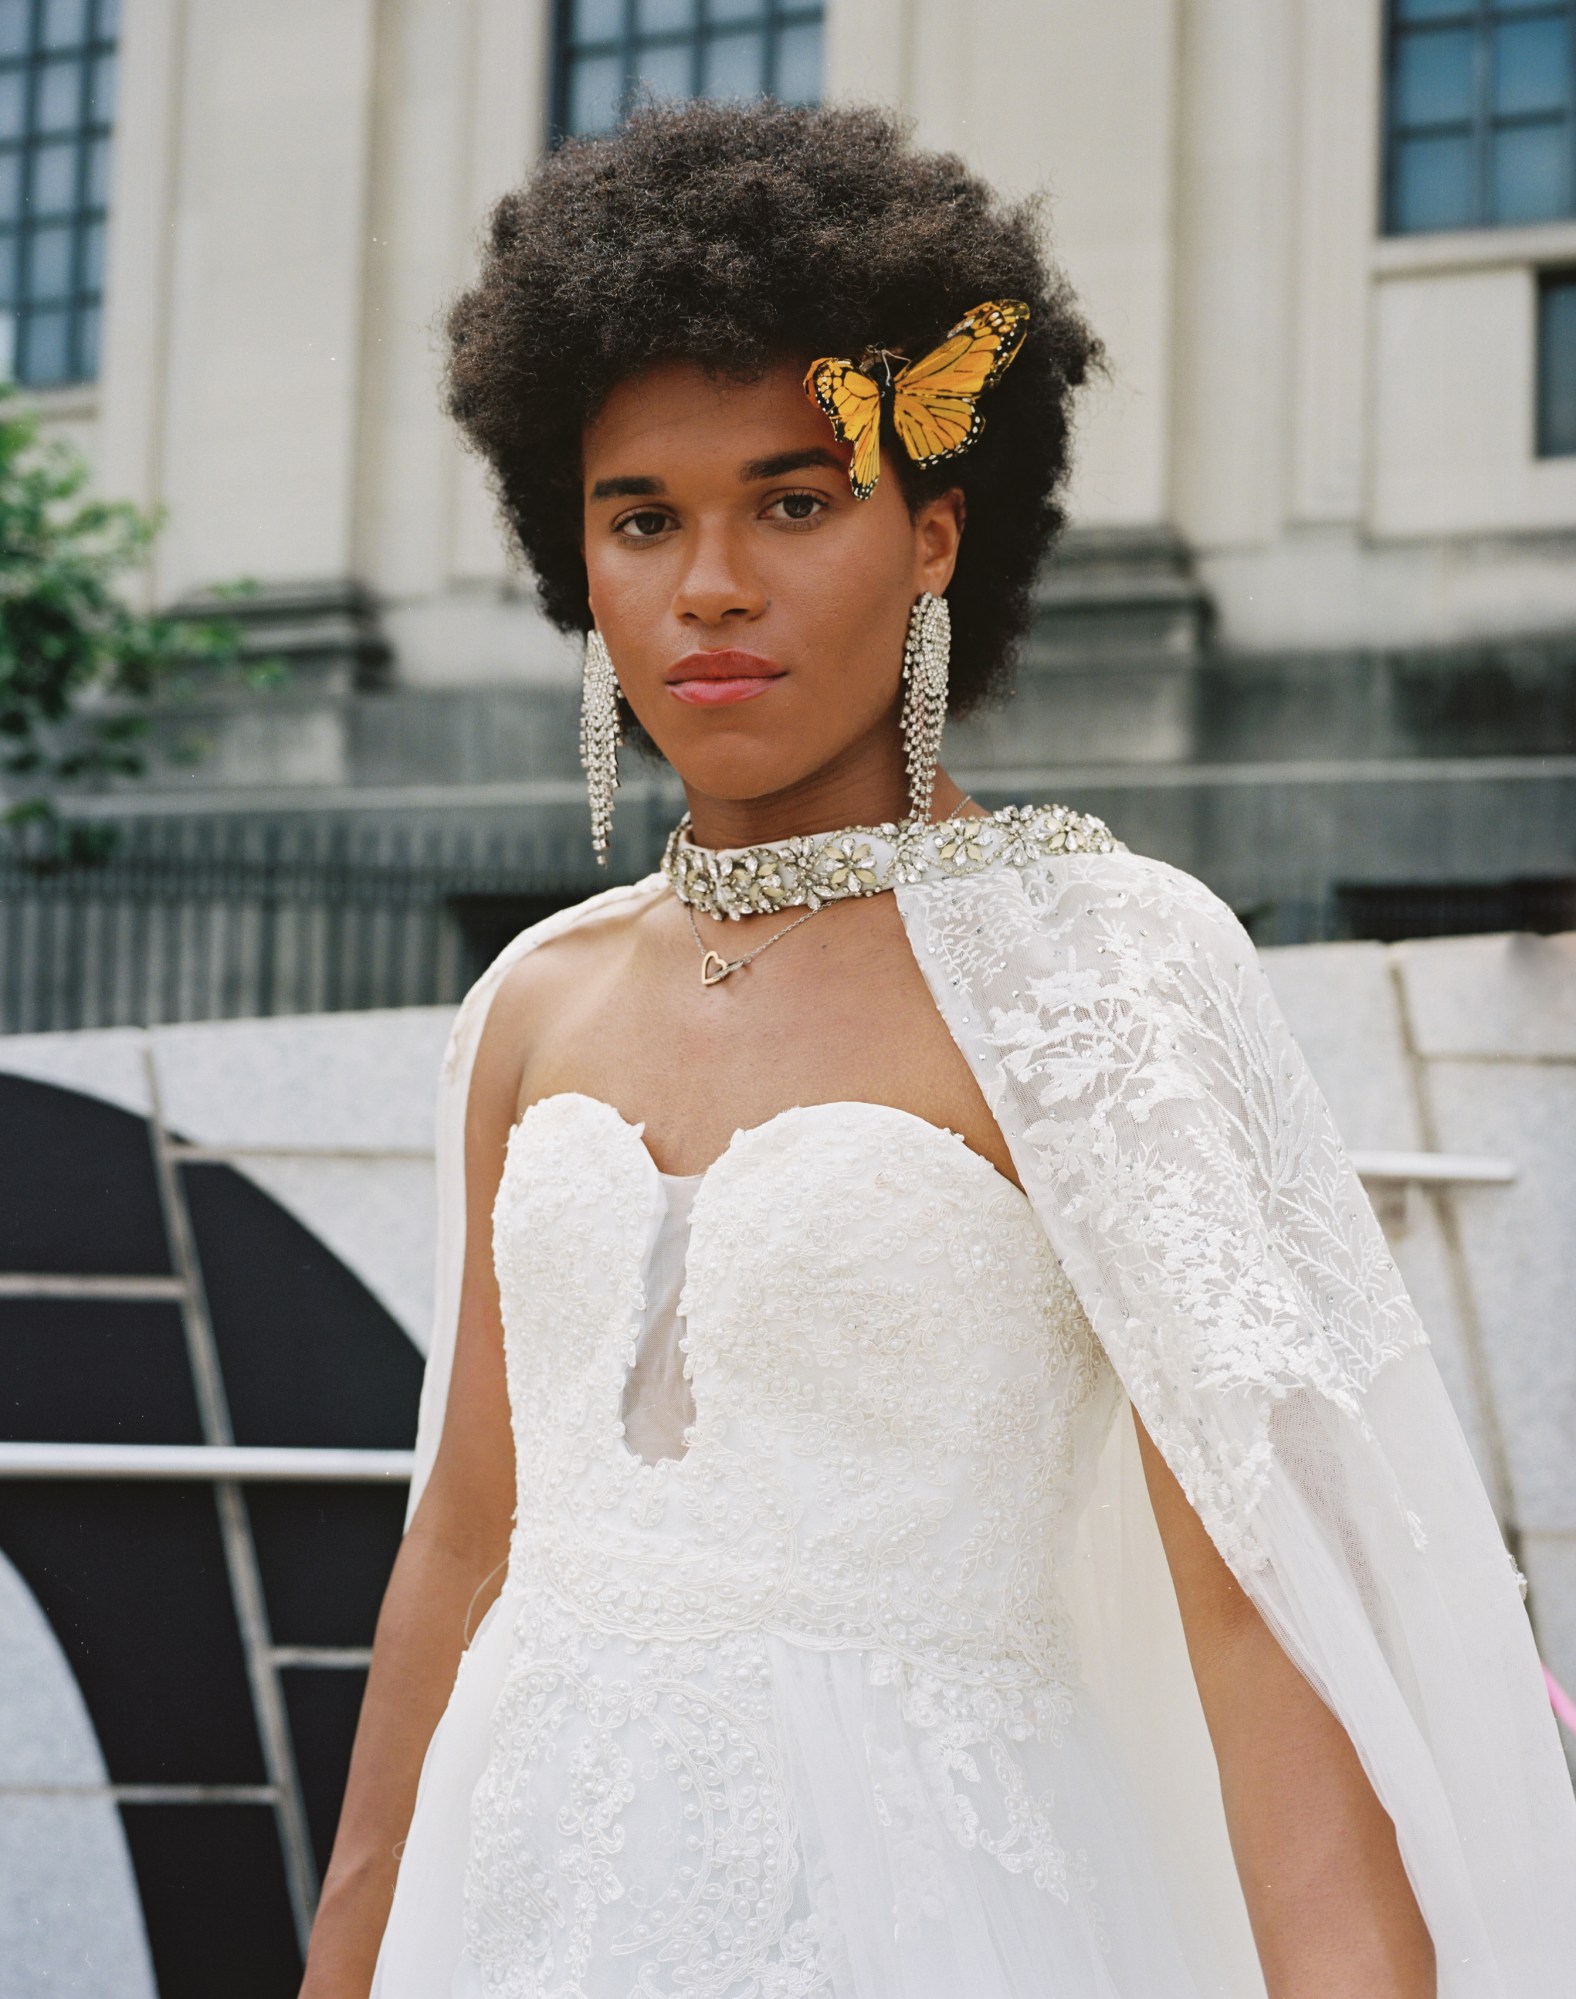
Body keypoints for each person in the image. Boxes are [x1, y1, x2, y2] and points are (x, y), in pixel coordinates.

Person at [299, 100, 1576, 1999]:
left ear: (935, 533)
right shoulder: (533, 1003)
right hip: (523, 1899)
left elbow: (1259, 1620)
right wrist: (344, 1957)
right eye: (641, 518)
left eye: (793, 501)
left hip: (931, 1913)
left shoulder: (1099, 975)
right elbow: (463, 1541)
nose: (707, 583)